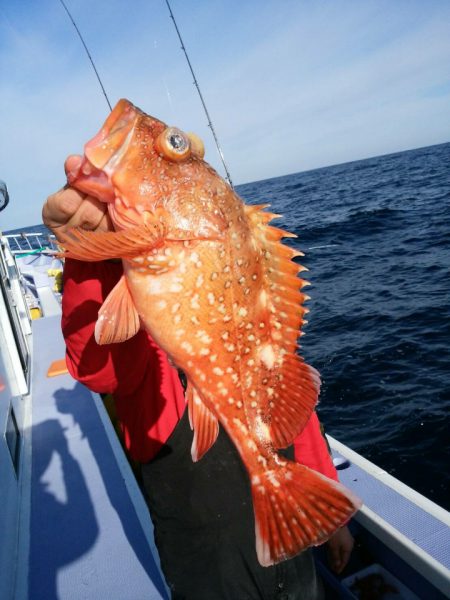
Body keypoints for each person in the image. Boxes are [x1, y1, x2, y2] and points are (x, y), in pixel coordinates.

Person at [43, 184, 355, 600]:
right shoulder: (143, 312)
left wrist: (329, 516)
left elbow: (297, 414)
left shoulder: (250, 320)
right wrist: (88, 258)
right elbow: (98, 371)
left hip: (289, 530)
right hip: (207, 555)